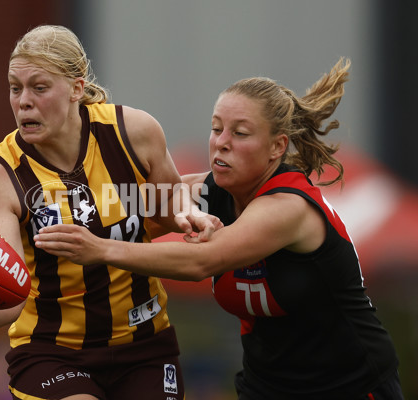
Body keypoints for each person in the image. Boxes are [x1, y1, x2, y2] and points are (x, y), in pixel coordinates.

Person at [34, 58, 404, 399]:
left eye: (240, 133)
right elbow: (120, 204)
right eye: (216, 128)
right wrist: (20, 219)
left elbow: (201, 262)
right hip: (267, 386)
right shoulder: (214, 192)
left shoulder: (287, 208)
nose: (221, 142)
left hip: (350, 386)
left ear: (277, 147)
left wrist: (100, 249)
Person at [0, 24, 218, 400]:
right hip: (51, 353)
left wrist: (192, 213)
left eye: (39, 88)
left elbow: (167, 201)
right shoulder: (0, 178)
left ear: (76, 88)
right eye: (15, 88)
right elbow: (10, 299)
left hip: (145, 344)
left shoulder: (133, 132)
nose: (23, 101)